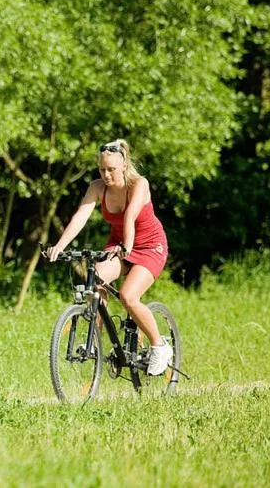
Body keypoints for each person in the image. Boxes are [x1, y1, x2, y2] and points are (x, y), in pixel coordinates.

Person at [46, 139, 172, 376]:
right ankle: (94, 340)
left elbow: (130, 216)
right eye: (102, 169)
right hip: (119, 245)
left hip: (149, 246)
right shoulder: (97, 187)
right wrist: (59, 246)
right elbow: (80, 216)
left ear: (124, 165)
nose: (106, 175)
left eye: (111, 169)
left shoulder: (139, 184)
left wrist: (127, 246)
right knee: (95, 280)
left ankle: (159, 346)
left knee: (128, 296)